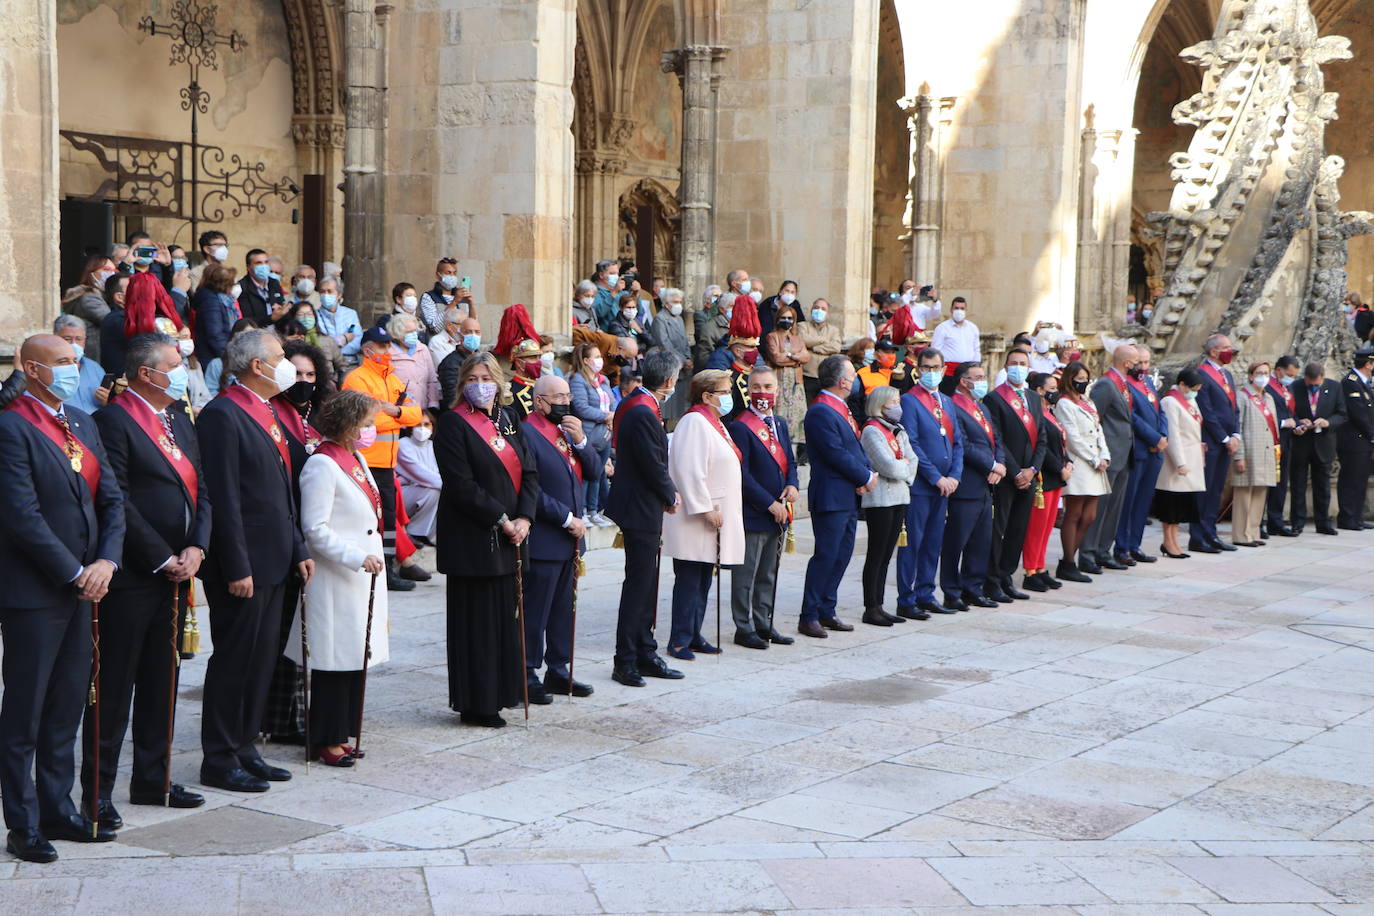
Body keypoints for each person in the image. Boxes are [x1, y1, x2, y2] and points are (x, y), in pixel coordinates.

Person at [0, 334, 125, 862]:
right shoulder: (11, 427)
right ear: (32, 369)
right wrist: (75, 570)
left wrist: (106, 561)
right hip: (35, 591)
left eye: (77, 361)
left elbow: (113, 499)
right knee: (26, 711)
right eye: (64, 362)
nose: (76, 369)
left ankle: (59, 807)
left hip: (86, 586)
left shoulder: (82, 421)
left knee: (67, 703)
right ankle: (22, 822)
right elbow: (21, 516)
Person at [85, 333, 209, 821]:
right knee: (114, 686)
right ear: (146, 374)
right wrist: (160, 556)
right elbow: (116, 497)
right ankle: (98, 791)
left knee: (164, 679)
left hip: (181, 569)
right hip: (137, 573)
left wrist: (197, 545)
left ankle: (153, 780)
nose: (181, 371)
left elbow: (202, 486)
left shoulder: (179, 417)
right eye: (174, 365)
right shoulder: (113, 419)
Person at [197, 330, 313, 794]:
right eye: (280, 357)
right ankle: (219, 757)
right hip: (243, 564)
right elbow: (223, 498)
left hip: (277, 556)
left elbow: (283, 490)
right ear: (256, 366)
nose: (286, 364)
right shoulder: (223, 414)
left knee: (262, 659)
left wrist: (299, 547)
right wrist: (236, 565)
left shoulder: (265, 409)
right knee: (235, 659)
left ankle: (245, 745)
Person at [281, 391, 389, 765]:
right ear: (346, 426)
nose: (370, 431)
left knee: (355, 657)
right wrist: (356, 556)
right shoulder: (323, 465)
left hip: (361, 576)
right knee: (333, 660)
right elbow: (315, 528)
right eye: (365, 424)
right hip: (337, 575)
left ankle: (344, 731)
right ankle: (324, 737)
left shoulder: (355, 457)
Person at [434, 352, 538, 726]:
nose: (481, 384)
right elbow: (460, 484)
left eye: (487, 377)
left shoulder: (509, 418)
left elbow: (529, 471)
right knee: (476, 624)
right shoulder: (452, 423)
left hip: (514, 535)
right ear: (463, 384)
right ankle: (476, 702)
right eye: (473, 378)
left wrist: (525, 516)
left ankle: (503, 692)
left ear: (498, 381)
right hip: (474, 537)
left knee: (504, 622)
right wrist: (501, 518)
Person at [605, 350, 684, 686]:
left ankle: (645, 650)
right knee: (639, 585)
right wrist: (670, 494)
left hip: (641, 502)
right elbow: (651, 462)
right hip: (639, 505)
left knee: (646, 582)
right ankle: (626, 659)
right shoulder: (641, 410)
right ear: (669, 380)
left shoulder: (639, 402)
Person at [522, 375, 600, 702]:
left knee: (563, 609)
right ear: (540, 401)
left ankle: (558, 668)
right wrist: (566, 518)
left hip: (570, 542)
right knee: (536, 610)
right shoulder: (527, 432)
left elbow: (595, 472)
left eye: (568, 395)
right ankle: (526, 671)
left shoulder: (567, 429)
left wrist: (582, 441)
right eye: (558, 397)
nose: (565, 402)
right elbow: (530, 490)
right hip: (546, 535)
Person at [663, 370, 745, 660]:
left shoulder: (715, 423)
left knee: (702, 580)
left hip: (714, 517)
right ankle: (679, 639)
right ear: (707, 396)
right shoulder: (694, 422)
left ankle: (694, 633)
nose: (729, 397)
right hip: (697, 518)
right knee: (689, 580)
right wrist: (705, 508)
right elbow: (688, 471)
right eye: (724, 392)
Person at [342, 327, 424, 590]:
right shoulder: (357, 378)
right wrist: (397, 416)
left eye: (389, 345)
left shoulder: (392, 379)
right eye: (382, 346)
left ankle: (388, 570)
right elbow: (368, 419)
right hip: (364, 461)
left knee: (388, 519)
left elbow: (416, 413)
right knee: (368, 519)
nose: (388, 351)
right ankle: (371, 567)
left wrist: (394, 410)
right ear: (368, 350)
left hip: (387, 464)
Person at [799, 354, 872, 638]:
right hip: (831, 495)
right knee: (826, 555)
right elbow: (835, 453)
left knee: (841, 555)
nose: (854, 380)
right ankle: (809, 614)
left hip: (847, 494)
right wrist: (864, 476)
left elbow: (853, 447)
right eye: (852, 375)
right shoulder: (821, 410)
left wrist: (865, 472)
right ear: (842, 381)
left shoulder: (840, 408)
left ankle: (826, 609)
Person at [728, 368, 798, 649]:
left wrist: (793, 485)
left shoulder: (779, 423)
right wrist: (768, 504)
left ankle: (763, 622)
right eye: (756, 387)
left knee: (769, 572)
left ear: (777, 389)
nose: (762, 393)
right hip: (755, 513)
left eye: (768, 386)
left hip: (780, 512)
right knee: (747, 574)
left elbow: (790, 462)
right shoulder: (740, 425)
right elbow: (742, 474)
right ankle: (743, 628)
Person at [897, 347, 963, 615]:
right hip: (923, 486)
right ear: (918, 369)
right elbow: (911, 443)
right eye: (927, 368)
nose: (932, 373)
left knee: (933, 542)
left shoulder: (947, 402)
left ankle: (926, 593)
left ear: (944, 370)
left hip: (946, 486)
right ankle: (906, 598)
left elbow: (958, 442)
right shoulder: (910, 400)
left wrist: (954, 476)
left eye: (936, 368)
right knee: (912, 542)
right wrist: (936, 477)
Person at [983, 348, 1046, 598]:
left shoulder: (1033, 397)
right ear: (1006, 367)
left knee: (1018, 528)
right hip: (1007, 477)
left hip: (1029, 476)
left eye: (1023, 363)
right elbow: (997, 438)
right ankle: (992, 579)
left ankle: (1007, 575)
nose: (1018, 367)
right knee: (1000, 528)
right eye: (1014, 363)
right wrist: (1015, 471)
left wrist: (1032, 470)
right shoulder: (995, 399)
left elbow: (1041, 437)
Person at [943, 362, 1006, 606]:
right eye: (976, 377)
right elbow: (964, 445)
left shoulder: (981, 407)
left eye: (983, 376)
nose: (981, 381)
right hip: (967, 482)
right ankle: (951, 591)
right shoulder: (953, 406)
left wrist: (999, 464)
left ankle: (973, 587)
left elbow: (996, 438)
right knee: (956, 541)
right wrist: (991, 465)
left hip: (986, 484)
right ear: (963, 381)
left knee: (981, 540)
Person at [860, 385, 919, 626]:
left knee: (886, 555)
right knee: (876, 553)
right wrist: (902, 467)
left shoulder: (898, 429)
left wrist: (903, 469)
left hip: (900, 495)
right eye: (892, 402)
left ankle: (881, 603)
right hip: (881, 498)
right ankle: (870, 606)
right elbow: (888, 466)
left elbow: (912, 459)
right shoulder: (872, 431)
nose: (897, 407)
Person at [1079, 341, 1137, 571]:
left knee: (1114, 507)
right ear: (1126, 363)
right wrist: (1098, 453)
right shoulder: (1106, 384)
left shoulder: (1122, 383)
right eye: (1135, 362)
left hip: (1124, 454)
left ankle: (1104, 550)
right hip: (1109, 454)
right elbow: (1095, 418)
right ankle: (1088, 553)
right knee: (1100, 506)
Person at [1054, 361, 1110, 581]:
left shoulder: (1087, 402)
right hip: (1080, 460)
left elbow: (1099, 429)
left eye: (1085, 379)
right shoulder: (1064, 404)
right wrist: (1093, 458)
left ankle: (1071, 557)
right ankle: (1068, 561)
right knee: (1074, 513)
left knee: (1089, 515)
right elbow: (1072, 437)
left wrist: (1104, 455)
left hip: (1096, 459)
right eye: (1078, 379)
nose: (1083, 383)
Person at [1190, 334, 1243, 552]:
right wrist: (1223, 437)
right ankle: (1198, 535)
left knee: (1216, 490)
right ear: (1213, 351)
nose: (1230, 351)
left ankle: (1210, 533)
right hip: (1211, 441)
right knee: (1205, 489)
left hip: (1226, 441)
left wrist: (1236, 435)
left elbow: (1233, 408)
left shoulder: (1227, 375)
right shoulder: (1202, 374)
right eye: (1226, 348)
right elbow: (1207, 412)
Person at [1116, 344, 1167, 563]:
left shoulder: (1147, 382)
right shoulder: (1124, 384)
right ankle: (1122, 547)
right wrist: (1154, 438)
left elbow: (1160, 411)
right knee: (1129, 501)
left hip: (1155, 451)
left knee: (1144, 501)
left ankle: (1135, 544)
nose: (1144, 367)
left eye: (1147, 362)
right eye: (1140, 362)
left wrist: (1163, 435)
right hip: (1138, 449)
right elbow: (1132, 416)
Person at [1024, 372, 1071, 591]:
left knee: (1046, 527)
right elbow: (1043, 448)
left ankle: (1041, 567)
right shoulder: (1036, 414)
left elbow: (1060, 444)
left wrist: (1068, 462)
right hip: (1045, 476)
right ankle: (1030, 570)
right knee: (1036, 527)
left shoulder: (1050, 413)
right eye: (1051, 388)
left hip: (1057, 478)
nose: (1055, 392)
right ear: (1040, 391)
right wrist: (1060, 468)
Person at [1289, 360, 1347, 535]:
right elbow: (1289, 412)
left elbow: (1342, 414)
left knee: (1322, 485)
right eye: (1310, 384)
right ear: (1305, 378)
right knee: (1298, 484)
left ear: (1323, 378)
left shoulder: (1335, 387)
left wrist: (1327, 422)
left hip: (1324, 442)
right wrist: (1299, 421)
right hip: (1301, 442)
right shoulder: (1295, 386)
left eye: (1317, 384)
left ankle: (1323, 522)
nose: (1313, 387)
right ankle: (1297, 522)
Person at [1155, 368, 1206, 558]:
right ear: (1182, 384)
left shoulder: (1190, 400)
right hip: (1176, 461)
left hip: (1192, 456)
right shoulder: (1170, 401)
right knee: (1171, 505)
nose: (1195, 391)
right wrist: (1179, 462)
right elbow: (1173, 434)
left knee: (1182, 505)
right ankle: (1168, 541)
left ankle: (1175, 541)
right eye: (1193, 387)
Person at [1232, 360, 1280, 546]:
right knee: (1244, 495)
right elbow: (1239, 427)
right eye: (1259, 373)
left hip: (1266, 453)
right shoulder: (1242, 396)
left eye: (1266, 373)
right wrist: (1239, 455)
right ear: (1251, 375)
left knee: (1260, 493)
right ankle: (1241, 535)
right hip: (1249, 452)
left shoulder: (1268, 398)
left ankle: (1253, 532)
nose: (1263, 377)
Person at [569, 343, 615, 527]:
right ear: (586, 361)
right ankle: (583, 511)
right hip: (589, 433)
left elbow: (612, 402)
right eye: (595, 356)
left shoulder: (603, 380)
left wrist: (612, 415)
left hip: (605, 433)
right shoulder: (578, 380)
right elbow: (581, 407)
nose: (599, 360)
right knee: (587, 472)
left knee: (598, 472)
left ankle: (594, 511)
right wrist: (606, 416)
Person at [763, 302, 810, 455]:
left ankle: (796, 451)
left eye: (790, 318)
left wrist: (791, 356)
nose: (787, 321)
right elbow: (776, 358)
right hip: (780, 380)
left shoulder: (797, 338)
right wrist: (796, 358)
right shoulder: (772, 336)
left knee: (798, 415)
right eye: (783, 317)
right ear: (777, 319)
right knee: (780, 413)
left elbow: (806, 357)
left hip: (796, 382)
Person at [1336, 348, 1374, 530]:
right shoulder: (1351, 382)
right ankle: (1347, 518)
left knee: (1360, 480)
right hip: (1353, 440)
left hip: (1364, 440)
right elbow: (1359, 414)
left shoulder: (1364, 382)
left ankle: (1357, 517)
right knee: (1351, 479)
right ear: (1368, 364)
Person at [706, 299, 760, 423]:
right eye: (751, 347)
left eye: (755, 347)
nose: (755, 350)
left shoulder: (757, 374)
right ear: (737, 351)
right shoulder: (728, 379)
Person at [644, 287, 693, 421]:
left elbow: (685, 341)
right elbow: (664, 344)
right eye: (675, 302)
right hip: (670, 365)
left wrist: (688, 357)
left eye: (680, 302)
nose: (679, 305)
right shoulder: (660, 319)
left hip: (682, 368)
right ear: (666, 303)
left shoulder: (679, 319)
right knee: (667, 408)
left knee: (678, 407)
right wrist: (683, 361)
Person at [1265, 355, 1301, 537]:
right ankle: (1261, 521)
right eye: (1288, 374)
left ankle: (1276, 521)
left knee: (1281, 482)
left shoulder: (1285, 387)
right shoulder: (1268, 387)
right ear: (1278, 370)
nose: (1291, 378)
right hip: (1271, 440)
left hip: (1287, 439)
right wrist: (1282, 423)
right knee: (1268, 482)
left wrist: (1297, 424)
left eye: (1294, 375)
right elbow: (1266, 414)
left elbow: (1290, 412)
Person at [397, 410, 441, 546]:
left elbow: (436, 474)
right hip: (402, 495)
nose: (422, 428)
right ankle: (416, 532)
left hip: (421, 491)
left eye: (426, 424)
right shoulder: (403, 444)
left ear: (432, 426)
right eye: (418, 424)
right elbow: (421, 474)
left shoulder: (433, 446)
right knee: (434, 491)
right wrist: (452, 487)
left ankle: (427, 534)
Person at [62, 254, 116, 363]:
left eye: (114, 270)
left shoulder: (103, 297)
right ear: (92, 273)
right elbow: (111, 321)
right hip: (93, 354)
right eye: (106, 269)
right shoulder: (90, 298)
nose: (111, 274)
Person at [50, 315, 108, 416]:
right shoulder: (49, 369)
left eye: (78, 339)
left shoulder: (95, 368)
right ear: (55, 338)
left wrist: (108, 400)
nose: (74, 344)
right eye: (67, 338)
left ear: (85, 341)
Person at [387, 313, 441, 410]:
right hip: (401, 411)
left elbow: (432, 380)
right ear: (397, 334)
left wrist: (433, 404)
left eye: (414, 331)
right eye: (409, 332)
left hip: (423, 409)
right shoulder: (389, 353)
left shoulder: (423, 349)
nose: (413, 334)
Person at [282, 300, 344, 379]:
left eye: (309, 314)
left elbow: (342, 365)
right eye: (301, 314)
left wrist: (335, 381)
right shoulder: (287, 340)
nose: (306, 318)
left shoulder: (327, 340)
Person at [929, 297, 980, 394]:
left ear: (966, 310)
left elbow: (976, 350)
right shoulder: (942, 328)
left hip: (968, 372)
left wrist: (976, 369)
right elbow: (935, 351)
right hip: (949, 373)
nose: (959, 311)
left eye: (962, 308)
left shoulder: (972, 328)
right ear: (951, 309)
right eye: (956, 308)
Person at [799, 298, 843, 405]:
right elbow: (802, 340)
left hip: (825, 376)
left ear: (827, 314)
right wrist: (823, 340)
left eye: (823, 309)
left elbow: (836, 347)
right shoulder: (802, 326)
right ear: (811, 310)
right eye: (816, 308)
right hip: (807, 375)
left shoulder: (834, 330)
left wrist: (813, 348)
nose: (819, 311)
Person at [436, 314, 485, 407]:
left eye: (477, 332)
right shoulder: (450, 363)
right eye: (468, 332)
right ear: (459, 335)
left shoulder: (483, 359)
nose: (473, 335)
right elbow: (452, 398)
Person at [316, 278, 363, 368]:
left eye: (330, 291)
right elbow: (319, 345)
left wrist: (333, 347)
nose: (325, 295)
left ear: (339, 295)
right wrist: (344, 339)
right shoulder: (314, 315)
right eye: (322, 291)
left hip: (351, 363)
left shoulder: (350, 314)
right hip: (326, 364)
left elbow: (358, 341)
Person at [237, 249, 287, 326]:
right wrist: (271, 318)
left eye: (266, 262)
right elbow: (247, 320)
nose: (264, 266)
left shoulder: (274, 283)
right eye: (259, 263)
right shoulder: (242, 287)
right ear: (248, 267)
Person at [418, 257, 462, 337]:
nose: (452, 276)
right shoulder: (428, 297)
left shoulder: (462, 297)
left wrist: (470, 303)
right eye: (448, 273)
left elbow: (472, 324)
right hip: (438, 345)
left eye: (454, 273)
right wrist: (454, 302)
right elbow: (434, 327)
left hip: (459, 345)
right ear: (438, 275)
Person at [506, 338, 543, 420]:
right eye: (533, 358)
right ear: (519, 362)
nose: (538, 362)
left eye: (538, 357)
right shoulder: (510, 390)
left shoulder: (541, 386)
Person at [693, 288, 731, 367]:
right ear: (721, 309)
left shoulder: (736, 325)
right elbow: (704, 357)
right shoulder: (708, 328)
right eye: (731, 306)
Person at [591, 260, 622, 328]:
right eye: (612, 273)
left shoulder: (618, 291)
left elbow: (638, 312)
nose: (616, 277)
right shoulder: (593, 291)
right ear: (601, 275)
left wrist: (635, 294)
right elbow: (599, 312)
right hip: (607, 334)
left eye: (617, 274)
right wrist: (614, 293)